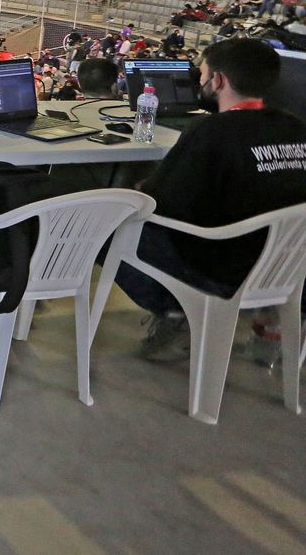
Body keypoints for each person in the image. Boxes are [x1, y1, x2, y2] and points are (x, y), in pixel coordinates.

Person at [114, 39, 306, 359]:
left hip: (223, 271)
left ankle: (174, 311)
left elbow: (164, 204)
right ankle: (270, 314)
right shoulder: (297, 127)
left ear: (218, 80)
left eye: (203, 75)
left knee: (110, 226)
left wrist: (138, 191)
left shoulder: (209, 130)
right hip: (288, 268)